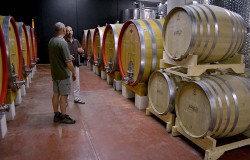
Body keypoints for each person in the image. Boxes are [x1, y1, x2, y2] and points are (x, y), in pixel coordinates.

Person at [48, 22, 76, 124]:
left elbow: (59, 56)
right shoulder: (62, 42)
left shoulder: (51, 41)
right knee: (64, 96)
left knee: (56, 93)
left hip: (55, 73)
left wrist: (68, 56)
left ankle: (56, 114)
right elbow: (68, 63)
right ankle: (63, 116)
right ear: (63, 30)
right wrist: (74, 72)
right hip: (63, 74)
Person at [65, 26, 85, 104]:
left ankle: (77, 98)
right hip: (67, 66)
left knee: (76, 82)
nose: (70, 32)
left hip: (76, 64)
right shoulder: (64, 42)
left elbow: (81, 52)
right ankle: (66, 98)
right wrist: (68, 56)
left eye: (71, 30)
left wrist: (82, 51)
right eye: (68, 31)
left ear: (72, 31)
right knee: (68, 82)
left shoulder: (76, 41)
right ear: (65, 32)